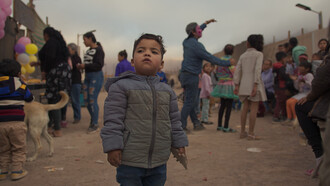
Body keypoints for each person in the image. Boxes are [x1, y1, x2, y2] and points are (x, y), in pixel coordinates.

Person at [101, 33, 188, 186]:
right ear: (133, 62)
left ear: (161, 64)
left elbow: (175, 121)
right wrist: (113, 146)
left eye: (154, 52)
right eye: (141, 50)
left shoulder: (167, 91)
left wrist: (179, 141)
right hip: (130, 161)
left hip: (159, 161)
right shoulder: (121, 87)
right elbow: (113, 120)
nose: (147, 53)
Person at [179, 19, 231, 132]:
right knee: (189, 102)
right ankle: (181, 127)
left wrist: (205, 24)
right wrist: (227, 63)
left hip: (184, 75)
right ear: (193, 32)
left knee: (190, 101)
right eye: (198, 29)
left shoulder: (186, 42)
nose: (200, 31)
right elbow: (210, 58)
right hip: (192, 76)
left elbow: (196, 31)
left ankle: (196, 124)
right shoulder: (197, 46)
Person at [0, 59, 33, 181]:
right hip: (17, 122)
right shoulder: (20, 84)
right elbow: (29, 98)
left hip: (1, 124)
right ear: (19, 73)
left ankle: (2, 172)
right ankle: (17, 171)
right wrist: (23, 82)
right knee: (18, 147)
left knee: (3, 148)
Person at [38, 27, 71, 137]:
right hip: (63, 73)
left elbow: (49, 58)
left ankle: (56, 129)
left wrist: (44, 70)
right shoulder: (60, 44)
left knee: (53, 99)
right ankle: (53, 126)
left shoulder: (51, 43)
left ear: (46, 34)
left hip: (55, 73)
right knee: (59, 97)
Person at [234, 34, 267, 140]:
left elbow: (237, 70)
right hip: (253, 84)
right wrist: (256, 84)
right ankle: (251, 133)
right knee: (254, 108)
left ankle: (243, 132)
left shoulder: (243, 56)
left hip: (244, 84)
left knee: (244, 108)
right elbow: (258, 70)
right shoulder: (259, 54)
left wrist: (236, 84)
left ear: (248, 43)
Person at [77, 32, 104, 133]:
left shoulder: (99, 50)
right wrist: (81, 66)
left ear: (90, 38)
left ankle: (95, 124)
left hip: (96, 76)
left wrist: (85, 66)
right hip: (87, 77)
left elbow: (99, 65)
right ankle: (93, 119)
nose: (84, 42)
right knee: (86, 100)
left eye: (84, 39)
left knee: (92, 99)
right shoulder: (88, 51)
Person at [212, 44, 238, 132]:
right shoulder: (231, 60)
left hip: (221, 84)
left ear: (224, 51)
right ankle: (226, 126)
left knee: (222, 105)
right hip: (229, 84)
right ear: (233, 51)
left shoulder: (220, 60)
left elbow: (216, 72)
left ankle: (219, 125)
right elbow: (235, 73)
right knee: (229, 106)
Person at [283, 61, 313, 125]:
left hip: (307, 94)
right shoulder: (300, 76)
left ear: (307, 69)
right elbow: (297, 88)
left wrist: (304, 81)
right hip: (301, 93)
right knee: (288, 101)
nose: (299, 69)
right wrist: (296, 81)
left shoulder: (309, 75)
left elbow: (311, 85)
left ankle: (295, 119)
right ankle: (289, 118)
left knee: (293, 102)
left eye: (301, 67)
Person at [272, 52, 290, 123]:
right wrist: (289, 76)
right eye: (285, 58)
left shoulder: (275, 66)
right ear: (283, 58)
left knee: (279, 100)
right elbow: (283, 76)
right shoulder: (281, 67)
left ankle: (281, 115)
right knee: (281, 101)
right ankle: (277, 115)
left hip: (276, 86)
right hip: (281, 86)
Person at [68, 43, 82, 124]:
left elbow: (73, 67)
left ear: (73, 50)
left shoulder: (77, 58)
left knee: (75, 100)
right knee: (71, 100)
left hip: (75, 82)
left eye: (69, 49)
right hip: (70, 82)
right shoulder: (69, 58)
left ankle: (77, 117)